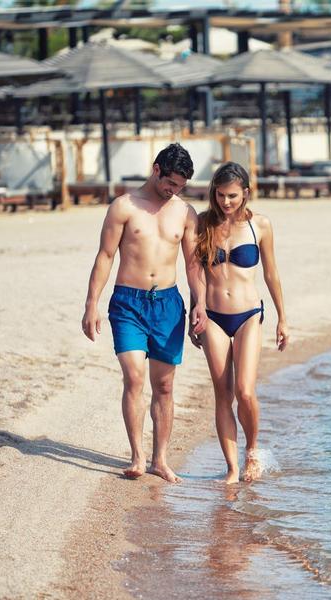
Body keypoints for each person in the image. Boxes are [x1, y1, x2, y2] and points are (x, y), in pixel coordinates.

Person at [82, 143, 207, 483]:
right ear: (156, 169)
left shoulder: (185, 213)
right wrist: (91, 304)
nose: (173, 191)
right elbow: (105, 256)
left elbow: (193, 263)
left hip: (168, 304)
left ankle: (160, 459)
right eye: (170, 183)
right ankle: (137, 456)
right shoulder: (124, 207)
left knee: (164, 385)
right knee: (135, 377)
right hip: (128, 304)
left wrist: (201, 304)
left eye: (180, 186)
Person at [189, 162, 289, 484]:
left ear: (246, 193)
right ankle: (232, 468)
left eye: (232, 196)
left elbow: (272, 273)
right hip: (214, 317)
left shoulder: (260, 225)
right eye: (220, 195)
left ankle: (252, 452)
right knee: (223, 394)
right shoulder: (203, 224)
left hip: (248, 315)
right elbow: (196, 276)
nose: (226, 202)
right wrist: (197, 310)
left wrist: (282, 319)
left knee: (245, 392)